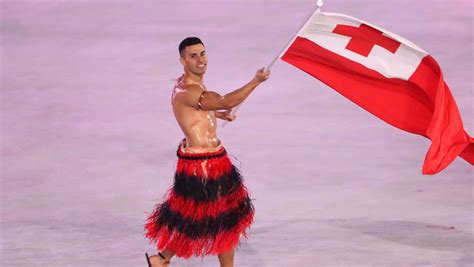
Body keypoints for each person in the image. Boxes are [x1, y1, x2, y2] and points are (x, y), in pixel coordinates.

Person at [144, 37, 270, 267]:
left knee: (198, 218)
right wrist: (256, 81)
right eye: (193, 56)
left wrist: (215, 114)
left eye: (202, 53)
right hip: (203, 165)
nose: (200, 60)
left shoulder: (189, 87)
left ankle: (161, 259)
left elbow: (198, 110)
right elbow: (224, 100)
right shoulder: (188, 91)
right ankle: (163, 258)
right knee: (225, 221)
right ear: (182, 60)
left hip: (208, 160)